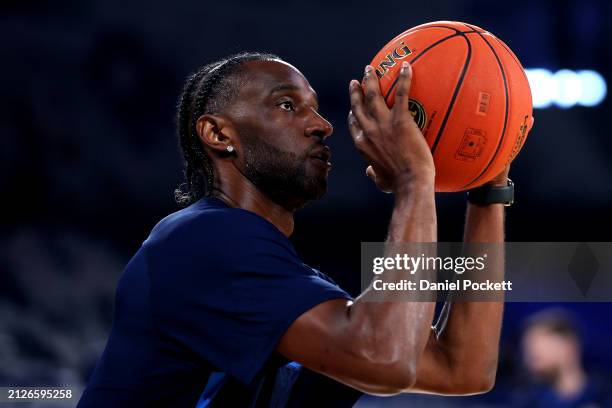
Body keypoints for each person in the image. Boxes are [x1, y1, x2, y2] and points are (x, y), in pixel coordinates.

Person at [77, 51, 508, 407]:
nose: (322, 124)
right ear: (217, 133)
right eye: (287, 105)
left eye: (315, 107)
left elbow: (463, 368)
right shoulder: (197, 240)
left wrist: (487, 186)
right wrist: (415, 181)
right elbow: (386, 358)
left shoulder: (286, 285)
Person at [516, 309, 612, 407]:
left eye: (539, 344)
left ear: (569, 345)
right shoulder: (526, 399)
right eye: (527, 347)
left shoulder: (604, 393)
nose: (530, 354)